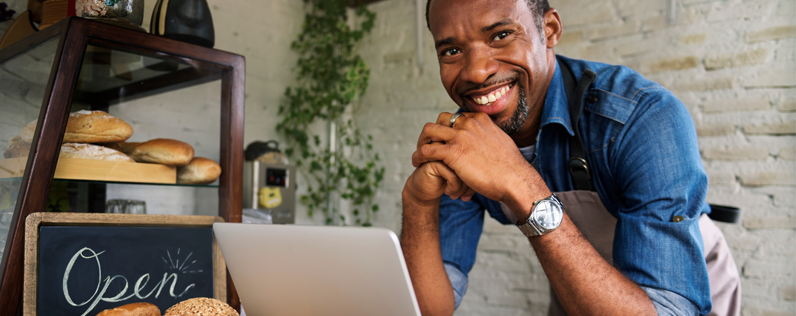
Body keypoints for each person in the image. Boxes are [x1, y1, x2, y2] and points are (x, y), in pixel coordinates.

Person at [400, 0, 741, 315]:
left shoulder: (643, 118)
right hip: (576, 280)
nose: (475, 71)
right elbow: (431, 307)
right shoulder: (464, 141)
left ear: (549, 30)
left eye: (501, 35)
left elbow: (666, 308)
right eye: (452, 50)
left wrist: (521, 184)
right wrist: (417, 203)